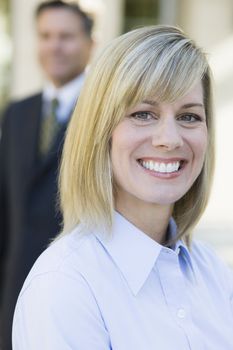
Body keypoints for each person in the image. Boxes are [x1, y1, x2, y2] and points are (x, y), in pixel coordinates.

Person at [12, 25, 233, 349]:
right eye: (143, 114)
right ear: (101, 131)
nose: (169, 139)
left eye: (189, 117)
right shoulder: (64, 285)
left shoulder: (211, 270)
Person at [0, 1, 94, 349]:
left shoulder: (105, 116)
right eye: (46, 36)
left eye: (66, 36)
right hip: (13, 291)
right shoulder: (16, 113)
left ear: (89, 44)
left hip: (74, 290)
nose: (54, 46)